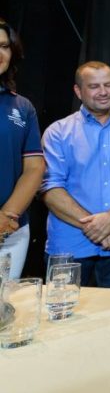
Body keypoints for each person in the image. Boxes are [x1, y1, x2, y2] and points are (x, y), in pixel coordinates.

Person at [41, 61, 110, 288]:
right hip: (69, 247)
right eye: (94, 86)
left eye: (108, 85)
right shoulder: (57, 132)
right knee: (63, 310)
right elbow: (50, 189)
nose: (103, 92)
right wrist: (99, 228)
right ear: (78, 91)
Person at [0, 18, 45, 278]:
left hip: (11, 228)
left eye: (4, 46)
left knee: (5, 300)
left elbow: (34, 168)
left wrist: (7, 217)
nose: (0, 53)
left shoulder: (23, 107)